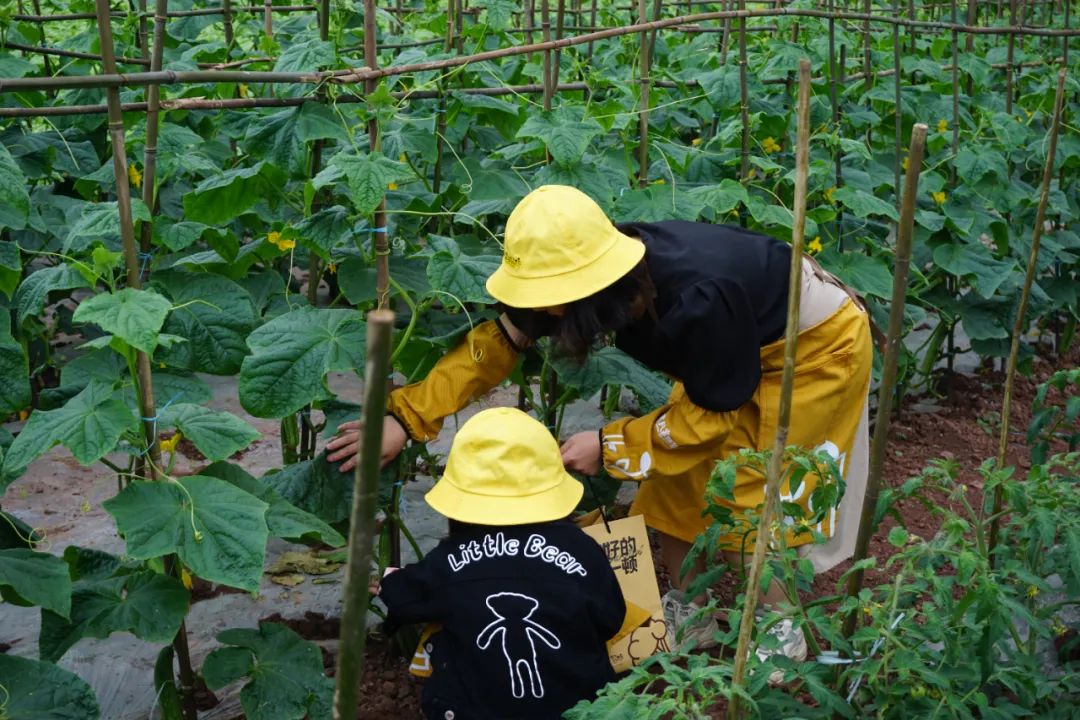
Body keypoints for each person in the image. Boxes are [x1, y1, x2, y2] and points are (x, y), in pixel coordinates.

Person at [330, 184, 872, 658]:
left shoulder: (696, 300)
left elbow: (709, 421)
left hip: (810, 350)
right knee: (671, 490)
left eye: (551, 304)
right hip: (729, 354)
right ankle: (695, 612)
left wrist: (611, 445)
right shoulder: (579, 281)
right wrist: (407, 417)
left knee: (750, 495)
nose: (543, 313)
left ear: (585, 287)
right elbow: (494, 347)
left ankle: (780, 633)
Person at [373, 407, 626, 720]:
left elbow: (407, 599)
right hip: (580, 710)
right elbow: (612, 618)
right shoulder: (582, 551)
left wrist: (389, 582)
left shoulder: (450, 560)